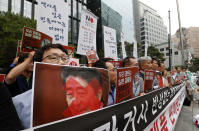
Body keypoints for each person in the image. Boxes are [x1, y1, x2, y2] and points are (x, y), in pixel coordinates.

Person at [12, 44, 68, 129]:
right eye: (53, 58)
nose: (61, 62)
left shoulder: (77, 97)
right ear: (38, 64)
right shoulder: (19, 103)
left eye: (64, 58)